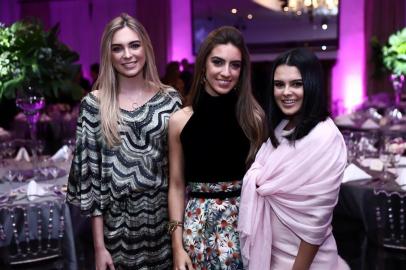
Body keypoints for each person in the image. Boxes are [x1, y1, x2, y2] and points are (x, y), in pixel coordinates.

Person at [66, 13, 182, 270]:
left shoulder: (170, 99)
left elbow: (179, 176)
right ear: (108, 54)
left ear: (146, 48)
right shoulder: (94, 104)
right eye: (117, 48)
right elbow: (92, 182)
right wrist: (99, 248)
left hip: (164, 223)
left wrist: (179, 240)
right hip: (116, 229)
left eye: (134, 45)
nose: (127, 55)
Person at [237, 48, 349, 270]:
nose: (286, 92)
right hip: (271, 254)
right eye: (279, 85)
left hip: (306, 262)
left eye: (297, 84)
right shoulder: (281, 127)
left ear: (312, 85)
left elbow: (316, 221)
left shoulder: (325, 136)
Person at [168, 26, 267, 270]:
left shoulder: (253, 118)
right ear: (203, 66)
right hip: (196, 229)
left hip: (245, 227)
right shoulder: (180, 120)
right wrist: (177, 246)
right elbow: (177, 185)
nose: (226, 72)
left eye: (235, 65)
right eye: (218, 62)